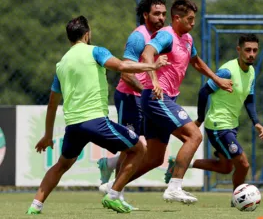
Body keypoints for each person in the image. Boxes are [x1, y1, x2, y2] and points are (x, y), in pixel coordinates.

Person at [26, 15, 169, 215]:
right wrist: (152, 66)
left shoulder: (62, 64)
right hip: (95, 121)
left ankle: (35, 206)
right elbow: (121, 66)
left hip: (74, 125)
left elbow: (52, 104)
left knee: (61, 165)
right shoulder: (96, 51)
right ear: (87, 34)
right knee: (138, 148)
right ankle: (113, 194)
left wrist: (48, 135)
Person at [98, 0, 233, 204]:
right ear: (177, 18)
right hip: (156, 97)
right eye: (189, 19)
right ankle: (175, 187)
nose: (193, 23)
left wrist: (216, 79)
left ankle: (114, 189)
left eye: (194, 19)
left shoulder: (187, 38)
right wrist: (153, 79)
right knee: (194, 136)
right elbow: (148, 52)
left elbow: (195, 62)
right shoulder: (166, 35)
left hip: (163, 98)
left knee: (155, 158)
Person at [164, 33, 263, 206]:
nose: (251, 54)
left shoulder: (252, 72)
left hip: (232, 125)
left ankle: (180, 163)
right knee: (243, 164)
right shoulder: (227, 71)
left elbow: (249, 98)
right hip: (218, 125)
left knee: (225, 167)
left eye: (255, 50)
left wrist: (256, 121)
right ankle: (238, 201)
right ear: (239, 50)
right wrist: (200, 119)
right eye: (248, 50)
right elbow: (204, 92)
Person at [97, 0, 167, 209]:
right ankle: (117, 196)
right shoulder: (139, 37)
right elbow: (126, 72)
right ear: (145, 15)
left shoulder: (162, 37)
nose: (161, 18)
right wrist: (144, 91)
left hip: (145, 99)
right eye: (156, 14)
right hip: (129, 97)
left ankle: (109, 164)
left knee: (145, 148)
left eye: (164, 14)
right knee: (131, 147)